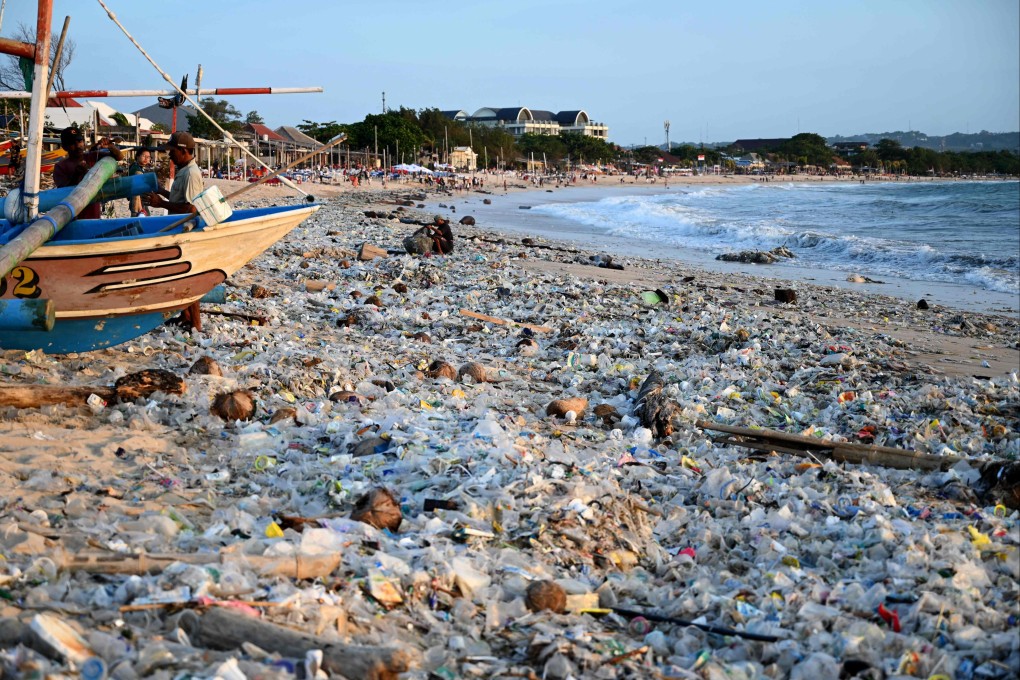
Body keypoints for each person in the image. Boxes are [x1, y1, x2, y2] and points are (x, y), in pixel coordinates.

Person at [147, 131, 205, 330]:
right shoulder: (184, 170)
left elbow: (191, 208)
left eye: (172, 152)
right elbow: (180, 199)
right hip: (179, 227)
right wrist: (163, 193)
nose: (169, 155)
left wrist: (161, 203)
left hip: (186, 229)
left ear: (182, 151)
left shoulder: (191, 174)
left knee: (188, 276)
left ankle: (196, 324)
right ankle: (185, 317)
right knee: (180, 274)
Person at [52, 126, 124, 219]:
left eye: (80, 141)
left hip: (94, 214)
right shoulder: (60, 167)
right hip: (72, 217)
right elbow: (63, 192)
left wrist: (110, 145)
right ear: (64, 147)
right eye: (72, 143)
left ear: (84, 142)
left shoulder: (93, 156)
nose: (78, 146)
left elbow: (119, 157)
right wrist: (76, 175)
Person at [127, 147, 151, 217]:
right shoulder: (136, 169)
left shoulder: (137, 167)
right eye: (144, 156)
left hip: (140, 200)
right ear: (137, 156)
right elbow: (137, 188)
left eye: (148, 157)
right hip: (138, 201)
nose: (146, 159)